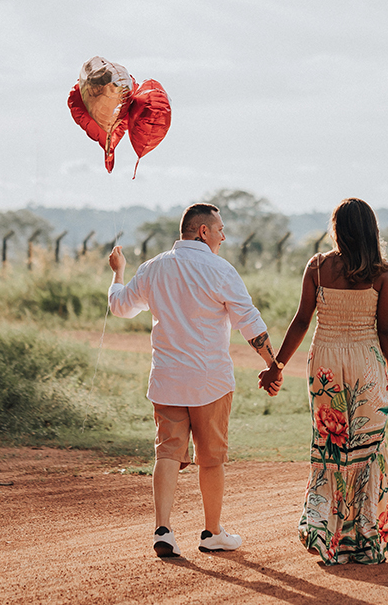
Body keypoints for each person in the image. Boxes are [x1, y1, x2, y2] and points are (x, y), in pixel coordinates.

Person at [108, 202, 282, 559]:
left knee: (167, 452)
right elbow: (249, 321)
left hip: (167, 379)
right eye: (219, 229)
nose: (223, 235)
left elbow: (120, 307)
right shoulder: (220, 269)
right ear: (203, 231)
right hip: (210, 381)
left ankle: (163, 530)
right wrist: (272, 365)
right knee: (211, 457)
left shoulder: (153, 268)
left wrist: (118, 272)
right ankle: (212, 532)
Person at [258, 197, 388, 565]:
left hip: (324, 363)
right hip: (366, 364)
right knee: (367, 449)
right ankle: (367, 542)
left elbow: (302, 320)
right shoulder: (382, 272)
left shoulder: (318, 267)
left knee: (331, 447)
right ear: (372, 229)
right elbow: (385, 328)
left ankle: (329, 541)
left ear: (336, 228)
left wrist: (278, 365)